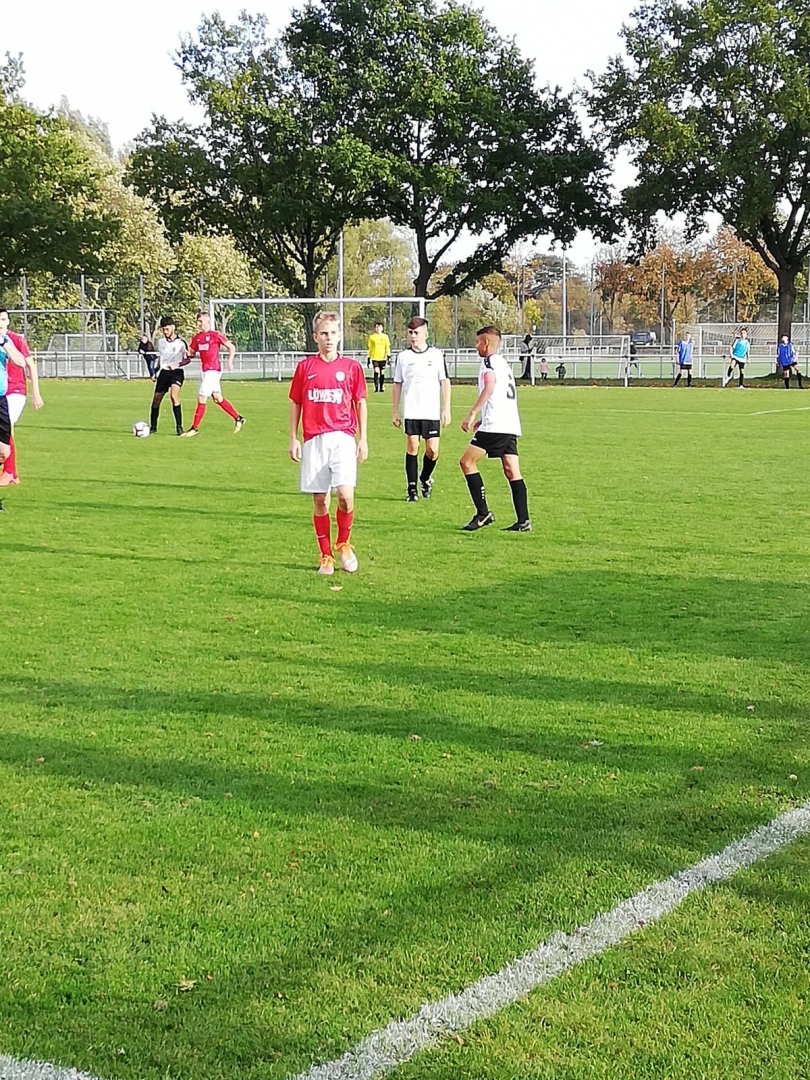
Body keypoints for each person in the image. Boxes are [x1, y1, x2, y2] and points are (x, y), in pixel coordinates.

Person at [289, 311, 368, 575]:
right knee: (321, 500)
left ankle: (343, 544)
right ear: (315, 337)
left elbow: (360, 402)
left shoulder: (351, 368)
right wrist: (293, 437)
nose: (329, 338)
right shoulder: (305, 368)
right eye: (324, 333)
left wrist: (363, 439)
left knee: (345, 496)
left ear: (340, 336)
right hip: (314, 440)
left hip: (343, 437)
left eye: (333, 333)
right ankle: (326, 556)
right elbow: (296, 402)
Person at [459, 325, 531, 533]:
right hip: (509, 424)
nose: (476, 346)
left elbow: (490, 386)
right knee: (511, 470)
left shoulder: (488, 362)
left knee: (467, 462)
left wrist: (473, 413)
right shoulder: (503, 364)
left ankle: (483, 513)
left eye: (478, 342)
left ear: (486, 343)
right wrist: (483, 417)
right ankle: (524, 521)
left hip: (496, 426)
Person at [392, 316, 451, 501]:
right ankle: (412, 490)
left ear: (425, 334)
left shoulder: (436, 355)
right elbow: (397, 383)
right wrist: (395, 411)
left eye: (416, 332)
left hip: (431, 411)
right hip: (411, 410)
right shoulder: (403, 357)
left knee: (432, 450)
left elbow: (444, 381)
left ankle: (425, 478)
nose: (413, 336)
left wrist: (446, 408)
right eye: (410, 332)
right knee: (412, 447)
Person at [181, 312, 245, 437]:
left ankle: (194, 428)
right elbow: (192, 353)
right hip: (205, 371)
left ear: (207, 320)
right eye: (198, 321)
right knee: (217, 398)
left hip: (213, 370)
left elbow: (231, 347)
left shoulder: (215, 335)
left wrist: (230, 361)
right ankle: (238, 418)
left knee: (202, 398)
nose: (199, 323)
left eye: (201, 321)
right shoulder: (197, 338)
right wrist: (187, 353)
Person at [0, 307, 44, 487]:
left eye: (3, 319)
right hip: (2, 391)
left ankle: (9, 472)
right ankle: (11, 472)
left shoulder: (16, 340)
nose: (1, 323)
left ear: (8, 321)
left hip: (15, 390)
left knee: (8, 424)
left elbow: (29, 365)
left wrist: (36, 393)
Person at [0, 329, 29, 509]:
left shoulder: (5, 340)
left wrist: (3, 343)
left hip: (1, 399)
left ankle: (10, 473)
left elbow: (20, 362)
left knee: (4, 452)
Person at [150, 316, 189, 434]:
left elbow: (187, 360)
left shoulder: (181, 343)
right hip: (164, 373)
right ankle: (153, 427)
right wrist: (155, 372)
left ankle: (179, 427)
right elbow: (161, 359)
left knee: (173, 396)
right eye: (163, 330)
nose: (165, 332)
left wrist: (178, 364)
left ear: (173, 327)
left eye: (167, 329)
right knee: (156, 400)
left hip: (177, 372)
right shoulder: (161, 342)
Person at [367, 321, 391, 393]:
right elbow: (370, 348)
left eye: (379, 327)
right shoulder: (372, 337)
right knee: (376, 371)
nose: (378, 328)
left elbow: (387, 347)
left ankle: (381, 387)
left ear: (382, 328)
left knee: (382, 372)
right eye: (376, 327)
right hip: (375, 357)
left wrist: (388, 356)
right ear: (375, 328)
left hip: (383, 357)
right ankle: (376, 387)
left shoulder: (385, 337)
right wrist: (369, 357)